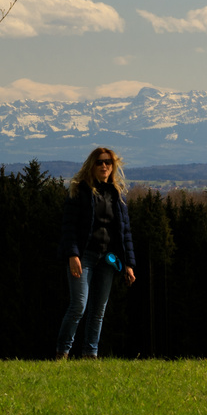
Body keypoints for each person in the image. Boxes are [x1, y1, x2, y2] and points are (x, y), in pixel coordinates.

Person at [55, 146, 137, 359]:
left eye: (108, 162)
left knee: (98, 311)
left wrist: (129, 264)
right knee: (78, 306)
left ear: (113, 166)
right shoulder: (79, 191)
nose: (104, 166)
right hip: (84, 257)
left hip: (108, 260)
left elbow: (124, 232)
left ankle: (90, 355)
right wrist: (73, 255)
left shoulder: (117, 194)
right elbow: (69, 227)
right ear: (91, 165)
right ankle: (62, 353)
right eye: (99, 162)